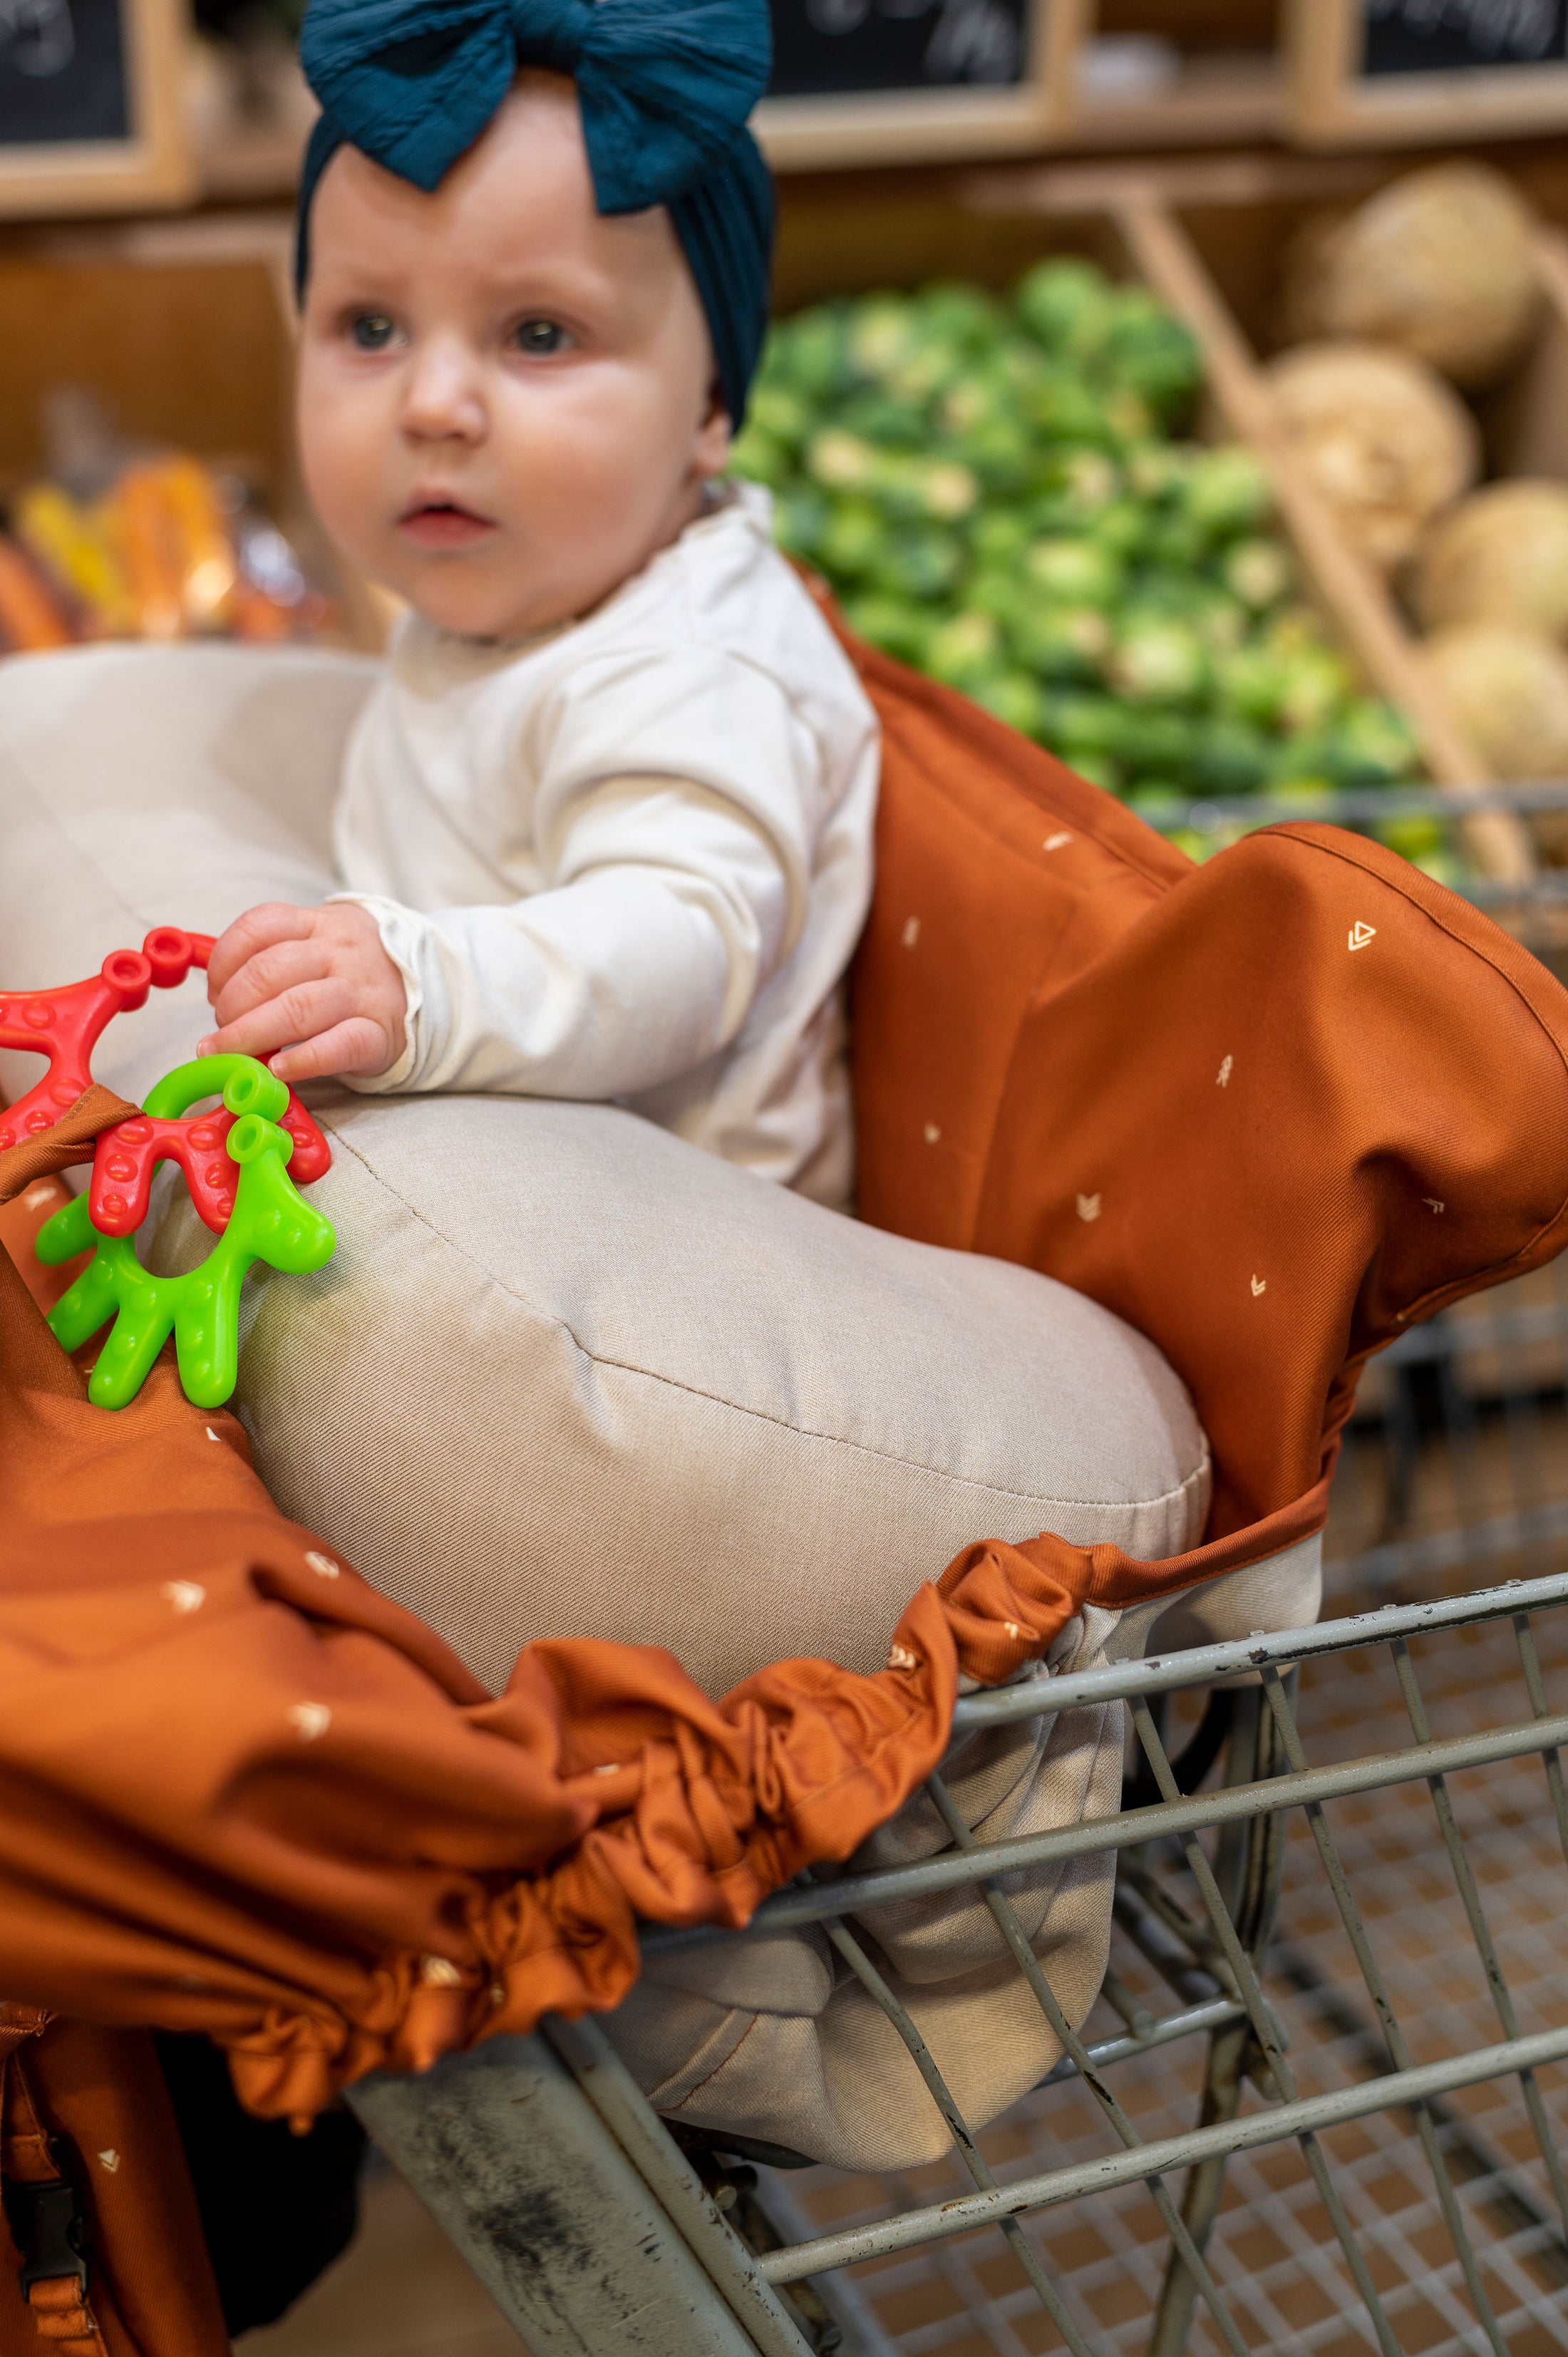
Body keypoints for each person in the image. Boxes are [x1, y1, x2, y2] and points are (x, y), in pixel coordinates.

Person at [197, 0, 879, 1207]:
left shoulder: (692, 665)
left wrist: (423, 987)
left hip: (672, 1243)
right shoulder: (526, 582)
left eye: (541, 334)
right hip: (518, 1158)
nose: (435, 404)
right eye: (370, 327)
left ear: (713, 403)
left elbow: (685, 939)